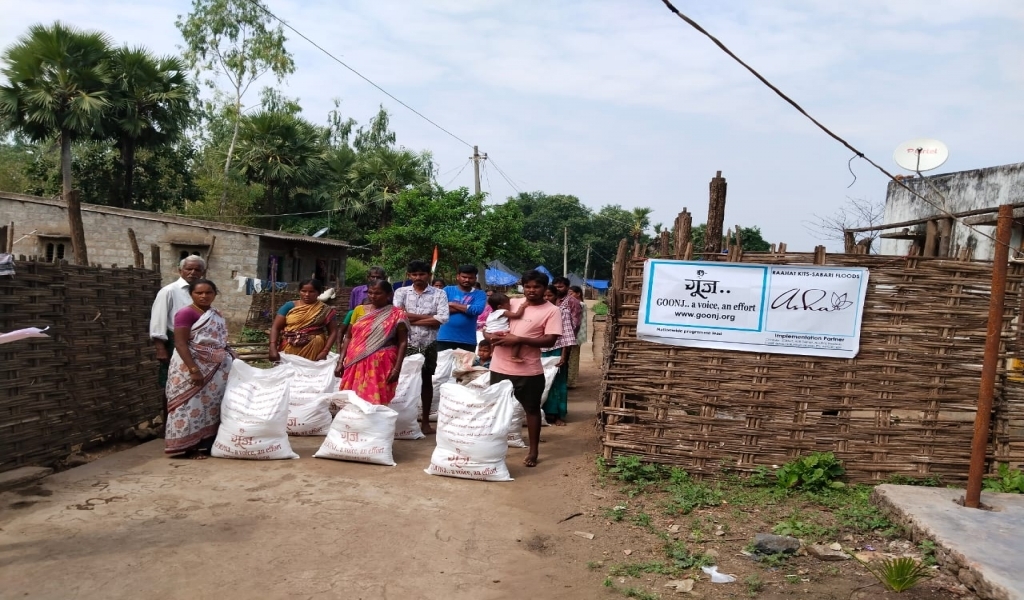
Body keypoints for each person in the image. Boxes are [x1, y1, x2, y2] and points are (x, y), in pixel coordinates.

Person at [486, 270, 562, 468]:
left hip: (528, 370)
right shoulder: (511, 302)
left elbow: (550, 340)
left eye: (536, 287)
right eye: (527, 286)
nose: (531, 290)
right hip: (499, 366)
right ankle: (492, 449)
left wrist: (519, 339)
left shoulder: (552, 311)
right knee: (495, 409)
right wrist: (489, 336)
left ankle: (533, 451)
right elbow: (490, 322)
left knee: (532, 410)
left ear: (545, 288)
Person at [165, 279, 235, 459]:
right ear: (191, 294)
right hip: (189, 365)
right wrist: (194, 369)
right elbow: (180, 343)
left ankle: (207, 443)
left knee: (211, 405)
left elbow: (219, 341)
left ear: (215, 294)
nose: (204, 296)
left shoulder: (215, 314)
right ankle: (190, 447)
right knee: (190, 404)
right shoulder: (186, 313)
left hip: (215, 369)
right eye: (199, 293)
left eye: (208, 292)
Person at [393, 259, 450, 434]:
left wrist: (410, 318)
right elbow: (397, 315)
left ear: (429, 275)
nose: (418, 277)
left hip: (428, 343)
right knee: (400, 380)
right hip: (405, 343)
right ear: (409, 275)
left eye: (422, 274)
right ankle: (398, 420)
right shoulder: (401, 292)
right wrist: (429, 318)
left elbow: (442, 318)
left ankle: (425, 422)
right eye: (414, 274)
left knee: (426, 381)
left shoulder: (439, 294)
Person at [335, 280, 409, 405]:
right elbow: (348, 336)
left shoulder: (397, 314)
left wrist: (397, 369)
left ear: (389, 295)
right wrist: (340, 361)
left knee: (375, 398)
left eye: (378, 293)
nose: (373, 296)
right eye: (370, 293)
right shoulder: (359, 310)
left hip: (380, 362)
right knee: (352, 398)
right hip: (355, 360)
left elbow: (403, 342)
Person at [150, 256, 206, 388]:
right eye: (189, 269)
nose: (193, 272)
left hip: (197, 343)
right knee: (172, 380)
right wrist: (160, 348)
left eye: (197, 270)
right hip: (174, 342)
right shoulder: (169, 291)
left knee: (192, 380)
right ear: (180, 270)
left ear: (203, 272)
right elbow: (158, 319)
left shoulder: (202, 292)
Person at [269, 279, 339, 362]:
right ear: (299, 291)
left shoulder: (325, 310)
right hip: (290, 346)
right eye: (303, 291)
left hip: (315, 348)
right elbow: (276, 327)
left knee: (311, 370)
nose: (307, 294)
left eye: (312, 292)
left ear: (319, 292)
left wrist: (325, 351)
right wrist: (272, 347)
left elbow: (333, 332)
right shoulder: (289, 306)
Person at [541, 284, 578, 426]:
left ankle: (557, 415)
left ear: (556, 297)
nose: (546, 298)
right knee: (540, 383)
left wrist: (564, 355)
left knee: (557, 382)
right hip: (538, 350)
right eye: (544, 295)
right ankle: (540, 413)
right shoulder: (535, 311)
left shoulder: (562, 312)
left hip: (556, 350)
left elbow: (567, 335)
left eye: (549, 295)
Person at [438, 264, 487, 352]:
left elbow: (477, 310)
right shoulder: (447, 290)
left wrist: (452, 304)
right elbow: (440, 310)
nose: (467, 280)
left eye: (470, 278)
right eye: (464, 277)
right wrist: (467, 309)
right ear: (458, 276)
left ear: (475, 278)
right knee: (442, 361)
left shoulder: (480, 294)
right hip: (444, 338)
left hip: (467, 340)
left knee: (465, 362)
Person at [483, 292, 525, 361]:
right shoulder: (502, 311)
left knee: (494, 343)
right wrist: (522, 307)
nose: (510, 305)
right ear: (500, 307)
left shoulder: (491, 314)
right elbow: (517, 315)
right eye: (508, 304)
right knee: (517, 341)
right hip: (500, 333)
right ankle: (514, 356)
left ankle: (492, 352)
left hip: (491, 332)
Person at [567, 285, 588, 388]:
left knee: (572, 358)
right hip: (576, 335)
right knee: (572, 358)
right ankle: (571, 381)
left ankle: (570, 381)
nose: (569, 295)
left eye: (571, 293)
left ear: (578, 293)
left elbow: (576, 322)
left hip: (575, 335)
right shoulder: (579, 304)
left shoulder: (580, 304)